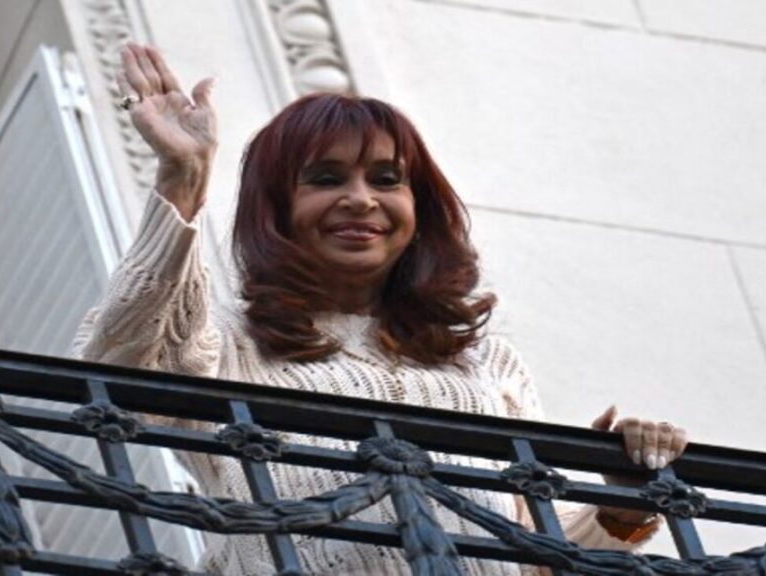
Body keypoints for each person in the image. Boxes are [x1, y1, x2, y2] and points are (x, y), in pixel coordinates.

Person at [74, 42, 689, 575]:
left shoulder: (485, 361)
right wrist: (183, 177)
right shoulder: (225, 340)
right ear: (275, 210)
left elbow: (533, 555)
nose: (361, 199)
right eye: (325, 179)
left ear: (419, 207)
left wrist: (625, 501)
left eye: (387, 179)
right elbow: (113, 365)